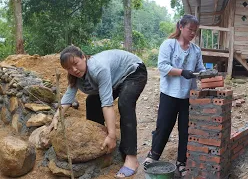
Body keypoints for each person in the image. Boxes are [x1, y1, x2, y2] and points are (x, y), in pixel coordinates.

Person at [48, 46, 147, 178]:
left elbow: (106, 104)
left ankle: (131, 158)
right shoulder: (75, 76)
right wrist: (56, 117)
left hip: (133, 71)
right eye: (69, 68)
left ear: (83, 57)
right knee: (92, 102)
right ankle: (100, 143)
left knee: (125, 103)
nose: (74, 70)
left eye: (76, 64)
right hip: (115, 79)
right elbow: (68, 97)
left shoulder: (98, 68)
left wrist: (112, 135)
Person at [143, 14, 206, 177]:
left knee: (185, 130)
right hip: (170, 94)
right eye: (190, 29)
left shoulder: (195, 50)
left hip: (187, 97)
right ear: (180, 27)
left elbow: (200, 68)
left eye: (195, 31)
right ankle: (153, 155)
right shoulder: (169, 45)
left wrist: (207, 74)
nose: (192, 33)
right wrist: (182, 72)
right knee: (163, 127)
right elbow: (162, 66)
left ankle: (181, 162)